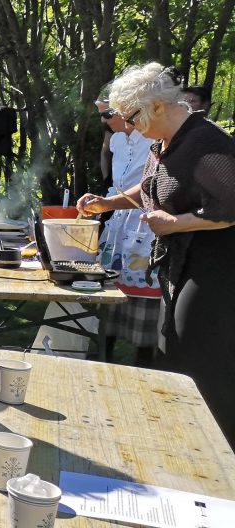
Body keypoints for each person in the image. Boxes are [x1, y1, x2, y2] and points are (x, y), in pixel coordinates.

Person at [76, 62, 235, 445]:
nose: (129, 126)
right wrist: (109, 202)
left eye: (132, 117)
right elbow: (151, 187)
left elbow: (229, 208)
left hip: (215, 270)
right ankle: (179, 445)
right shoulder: (166, 143)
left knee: (201, 363)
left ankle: (218, 457)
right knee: (173, 353)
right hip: (180, 266)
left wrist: (176, 223)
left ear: (158, 106)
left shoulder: (205, 143)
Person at [93, 98, 160, 366]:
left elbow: (151, 186)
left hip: (145, 223)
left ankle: (145, 366)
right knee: (110, 290)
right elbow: (115, 182)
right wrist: (104, 203)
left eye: (108, 113)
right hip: (119, 223)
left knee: (144, 293)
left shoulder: (153, 139)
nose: (104, 120)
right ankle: (102, 357)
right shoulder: (117, 141)